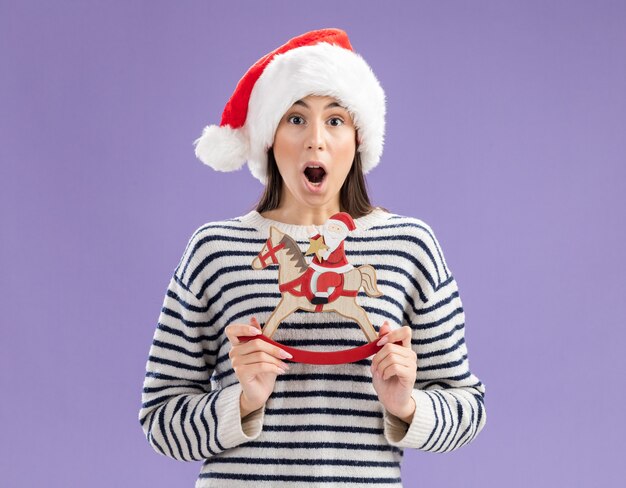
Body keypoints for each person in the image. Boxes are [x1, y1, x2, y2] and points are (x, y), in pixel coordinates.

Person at [139, 28, 487, 487]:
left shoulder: (411, 244)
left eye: (336, 120)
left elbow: (468, 409)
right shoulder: (213, 248)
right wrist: (240, 402)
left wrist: (407, 406)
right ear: (269, 135)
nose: (316, 141)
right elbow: (161, 421)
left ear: (359, 138)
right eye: (296, 119)